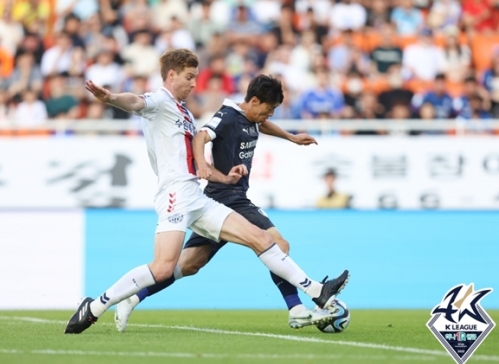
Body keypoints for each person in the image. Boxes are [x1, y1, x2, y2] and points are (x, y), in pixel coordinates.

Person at [64, 48, 349, 334]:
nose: (193, 84)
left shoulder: (185, 112)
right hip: (174, 195)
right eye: (189, 77)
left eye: (195, 77)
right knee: (163, 268)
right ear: (172, 75)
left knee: (260, 239)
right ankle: (95, 306)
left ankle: (316, 292)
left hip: (198, 196)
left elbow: (197, 159)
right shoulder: (160, 100)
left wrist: (224, 177)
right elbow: (135, 102)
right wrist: (112, 98)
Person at [114, 74, 331, 333]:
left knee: (190, 265)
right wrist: (203, 164)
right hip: (227, 198)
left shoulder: (252, 118)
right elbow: (200, 136)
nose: (270, 115)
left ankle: (134, 297)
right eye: (269, 109)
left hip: (231, 199)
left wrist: (291, 137)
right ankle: (297, 308)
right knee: (278, 244)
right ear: (253, 100)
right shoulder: (228, 115)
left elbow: (261, 126)